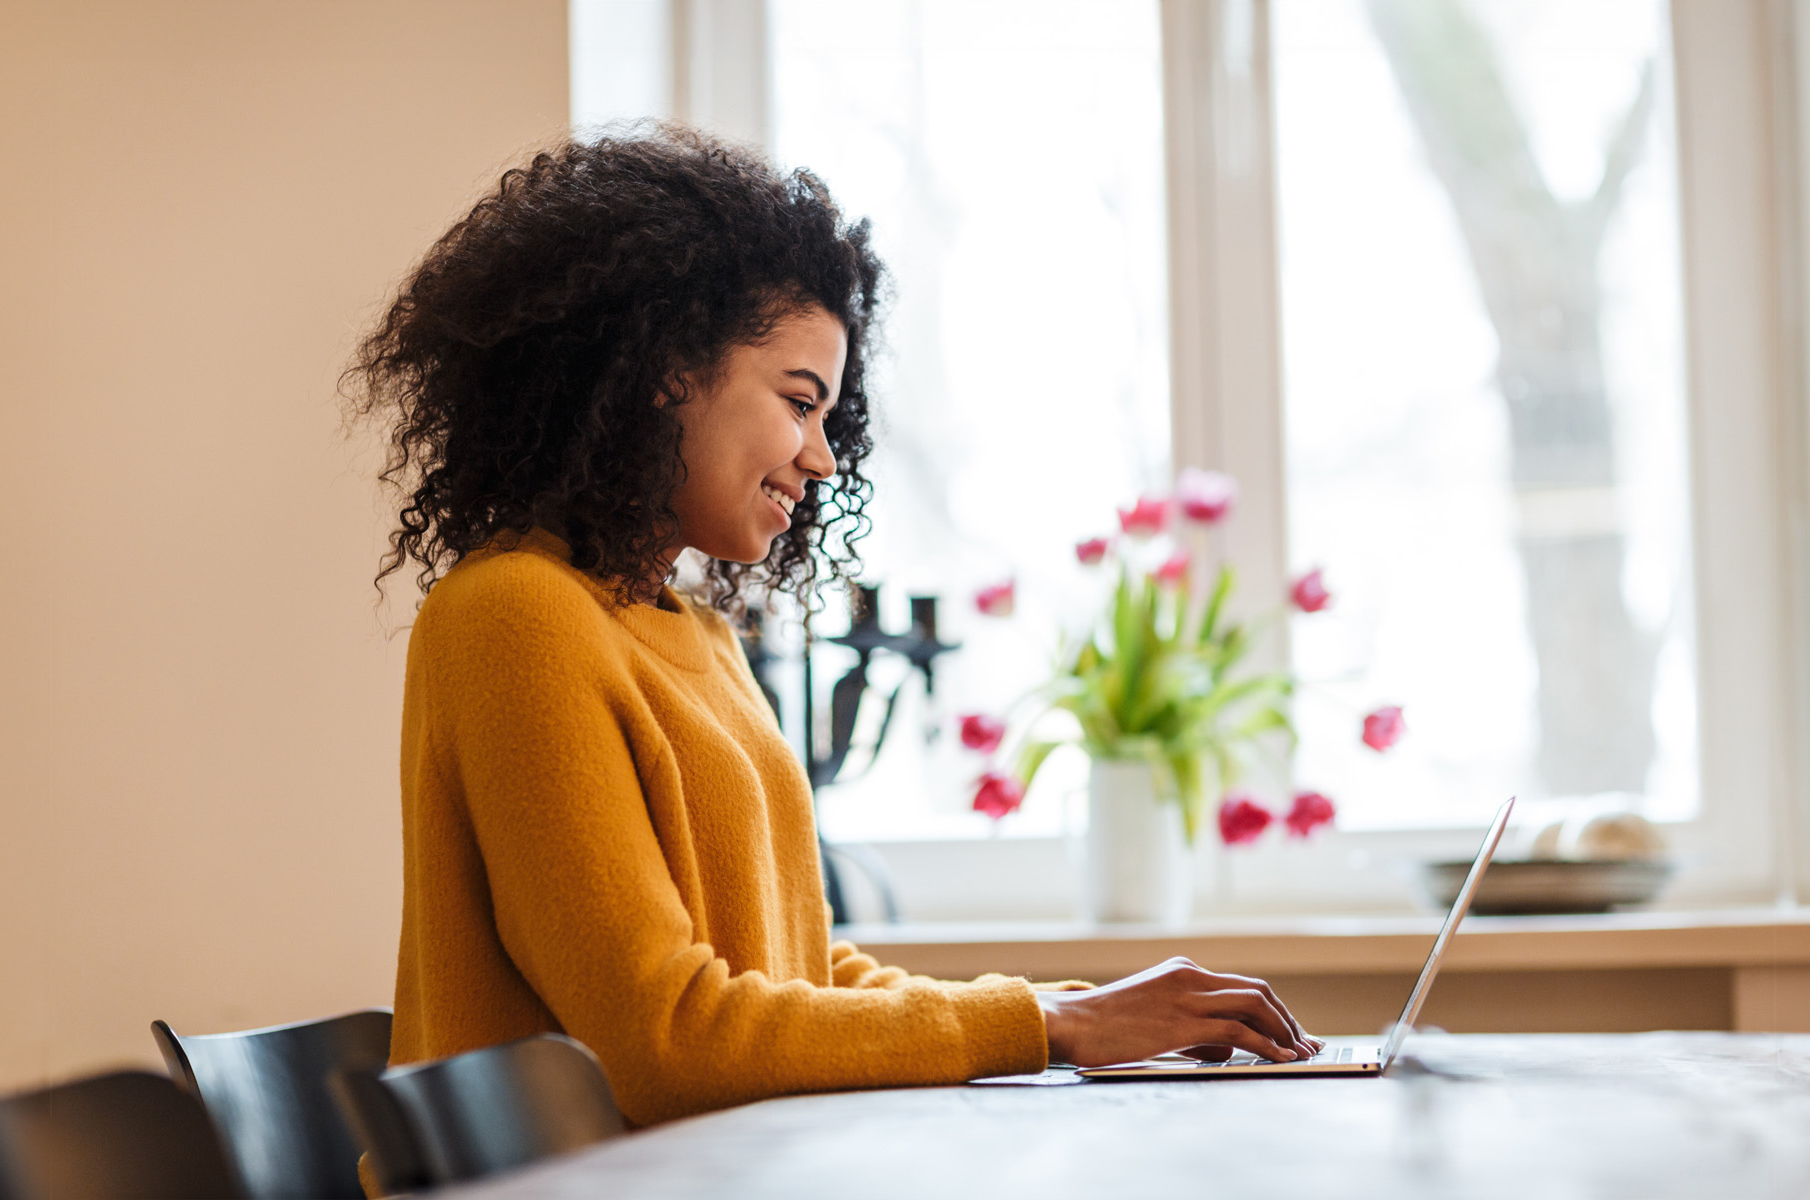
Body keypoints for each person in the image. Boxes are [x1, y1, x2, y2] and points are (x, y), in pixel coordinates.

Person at [346, 127, 1320, 1130]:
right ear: (663, 369)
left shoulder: (696, 635)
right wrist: (1050, 1024)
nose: (820, 460)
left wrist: (1065, 1013)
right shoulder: (514, 613)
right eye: (799, 402)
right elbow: (662, 1040)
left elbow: (793, 967)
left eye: (828, 419)